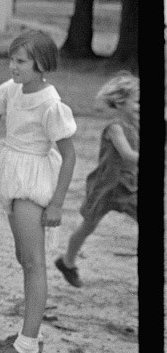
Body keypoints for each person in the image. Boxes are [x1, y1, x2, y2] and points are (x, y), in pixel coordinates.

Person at [0, 29, 76, 353]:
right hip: (12, 174)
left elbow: (69, 155)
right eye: (12, 59)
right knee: (24, 257)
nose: (13, 66)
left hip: (34, 180)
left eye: (20, 61)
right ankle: (29, 331)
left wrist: (57, 203)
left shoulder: (51, 104)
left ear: (41, 64)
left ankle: (27, 346)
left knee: (34, 262)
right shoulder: (11, 89)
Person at [55, 71, 139, 288]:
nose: (140, 107)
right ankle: (67, 262)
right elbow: (128, 155)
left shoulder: (136, 126)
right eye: (136, 102)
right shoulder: (115, 127)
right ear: (120, 103)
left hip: (128, 186)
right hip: (106, 186)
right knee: (88, 226)